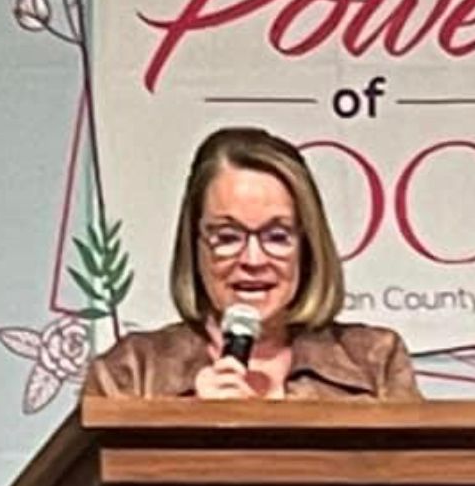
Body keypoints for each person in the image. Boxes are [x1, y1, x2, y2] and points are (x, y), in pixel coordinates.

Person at [82, 127, 421, 400]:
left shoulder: (374, 361)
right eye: (228, 237)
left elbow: (417, 478)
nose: (253, 260)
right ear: (194, 244)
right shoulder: (133, 373)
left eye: (277, 236)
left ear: (308, 245)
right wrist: (191, 426)